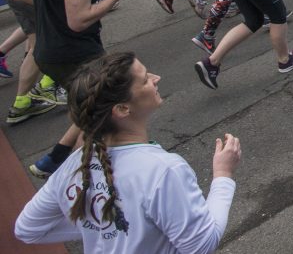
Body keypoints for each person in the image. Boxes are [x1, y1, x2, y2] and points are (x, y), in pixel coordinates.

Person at [15, 52, 242, 252]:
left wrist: (104, 227)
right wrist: (223, 175)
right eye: (145, 80)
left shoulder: (74, 164)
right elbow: (201, 244)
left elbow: (27, 228)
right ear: (122, 109)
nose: (156, 79)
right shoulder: (163, 170)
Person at [13, 0, 149, 178]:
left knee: (94, 107)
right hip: (75, 52)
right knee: (114, 103)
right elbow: (79, 20)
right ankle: (74, 172)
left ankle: (56, 161)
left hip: (48, 52)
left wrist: (57, 7)